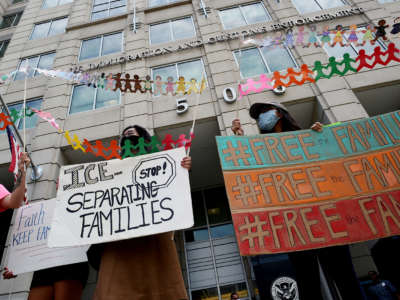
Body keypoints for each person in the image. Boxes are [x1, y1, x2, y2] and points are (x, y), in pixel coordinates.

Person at [231, 102, 365, 300]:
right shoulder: (263, 150)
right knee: (307, 282)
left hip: (326, 220)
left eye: (263, 113)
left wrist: (322, 136)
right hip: (295, 225)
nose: (260, 119)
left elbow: (333, 164)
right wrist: (239, 139)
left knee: (345, 277)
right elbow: (251, 171)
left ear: (278, 113)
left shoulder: (308, 136)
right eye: (257, 116)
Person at [88, 125, 191, 300]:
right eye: (125, 131)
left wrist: (184, 170)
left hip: (153, 241)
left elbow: (175, 190)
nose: (128, 130)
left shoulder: (160, 163)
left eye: (134, 130)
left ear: (144, 137)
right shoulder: (112, 169)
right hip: (119, 243)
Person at [3, 152, 89, 300]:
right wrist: (18, 264)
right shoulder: (44, 211)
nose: (60, 182)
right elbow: (33, 240)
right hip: (44, 266)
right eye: (60, 179)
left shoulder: (88, 206)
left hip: (70, 262)